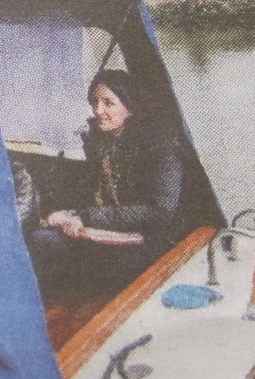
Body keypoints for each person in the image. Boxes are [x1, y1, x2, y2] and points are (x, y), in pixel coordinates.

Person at [26, 68, 188, 302]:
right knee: (40, 240)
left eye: (108, 103)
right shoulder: (102, 143)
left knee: (106, 265)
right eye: (95, 103)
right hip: (106, 229)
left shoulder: (159, 149)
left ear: (130, 108)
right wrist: (69, 214)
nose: (98, 110)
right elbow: (93, 192)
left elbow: (160, 211)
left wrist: (87, 218)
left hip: (150, 239)